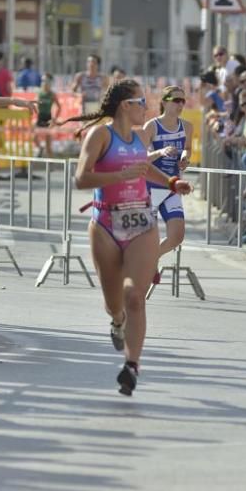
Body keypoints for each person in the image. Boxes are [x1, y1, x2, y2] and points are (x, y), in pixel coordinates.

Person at [68, 81, 192, 396]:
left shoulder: (139, 138)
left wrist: (172, 181)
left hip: (140, 221)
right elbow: (82, 178)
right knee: (114, 303)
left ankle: (131, 366)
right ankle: (117, 321)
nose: (146, 108)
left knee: (135, 295)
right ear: (126, 105)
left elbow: (145, 171)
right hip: (106, 221)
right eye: (141, 102)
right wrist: (118, 176)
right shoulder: (101, 136)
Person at [140, 86, 193, 281]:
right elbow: (141, 158)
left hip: (172, 187)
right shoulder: (151, 126)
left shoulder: (187, 126)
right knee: (147, 237)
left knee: (177, 236)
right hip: (151, 187)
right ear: (164, 101)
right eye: (176, 100)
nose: (180, 104)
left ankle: (152, 258)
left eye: (183, 101)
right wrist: (159, 153)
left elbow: (187, 148)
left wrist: (185, 158)